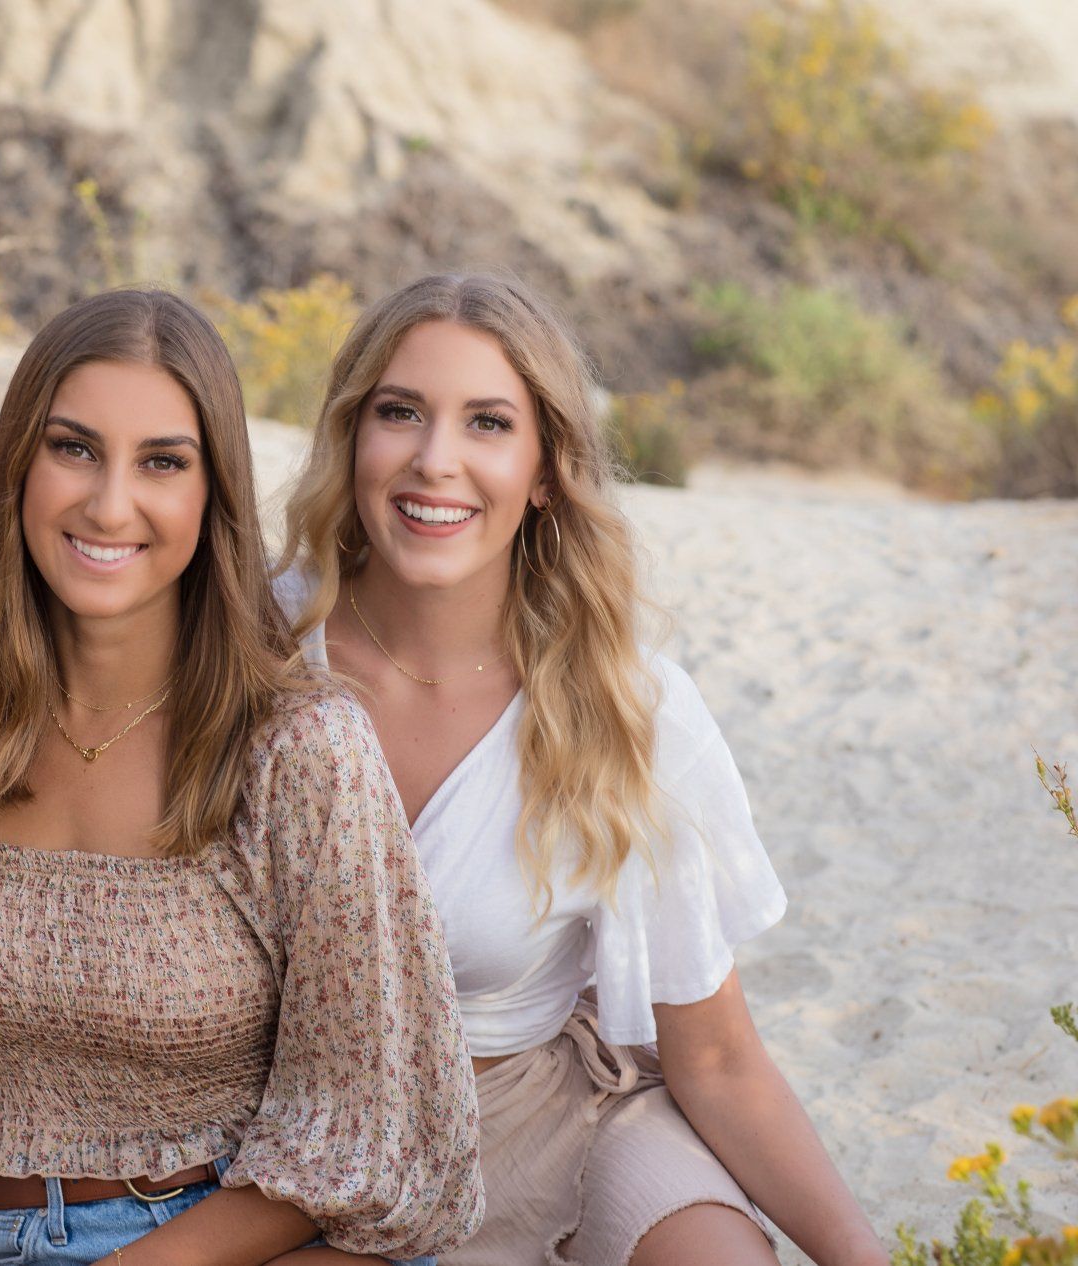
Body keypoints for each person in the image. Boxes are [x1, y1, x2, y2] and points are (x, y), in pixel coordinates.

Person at [0, 288, 483, 1266]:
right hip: (10, 1238)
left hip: (245, 1249)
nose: (110, 504)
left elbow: (376, 1115)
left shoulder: (298, 747)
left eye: (162, 462)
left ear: (213, 494)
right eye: (73, 449)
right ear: (19, 465)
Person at [275, 272, 886, 1266]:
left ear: (546, 469)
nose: (436, 462)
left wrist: (864, 1260)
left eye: (487, 424)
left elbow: (720, 1058)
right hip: (314, 1150)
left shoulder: (627, 704)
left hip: (553, 1122)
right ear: (352, 438)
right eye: (401, 414)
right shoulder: (253, 653)